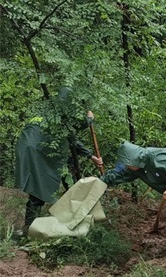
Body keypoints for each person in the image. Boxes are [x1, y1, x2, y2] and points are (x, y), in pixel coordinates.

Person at [15, 87, 103, 233]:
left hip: (27, 148)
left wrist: (91, 156)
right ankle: (29, 230)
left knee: (38, 186)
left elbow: (69, 137)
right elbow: (75, 127)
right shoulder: (62, 111)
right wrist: (89, 119)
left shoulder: (47, 111)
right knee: (39, 189)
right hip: (40, 152)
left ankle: (30, 227)